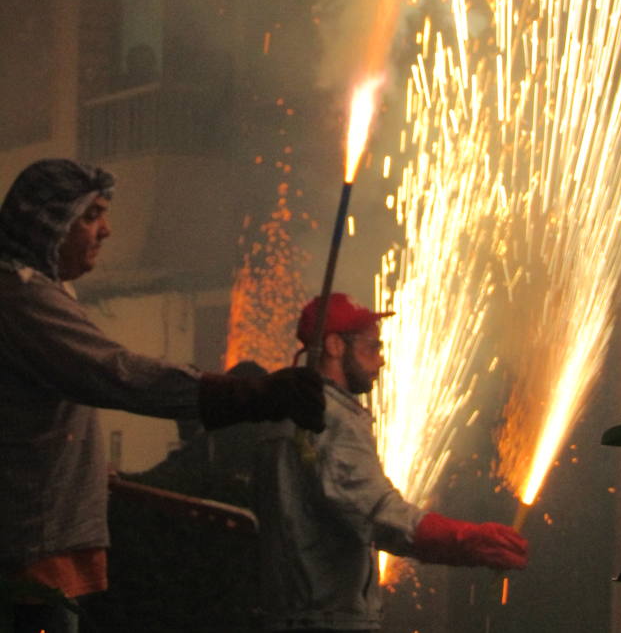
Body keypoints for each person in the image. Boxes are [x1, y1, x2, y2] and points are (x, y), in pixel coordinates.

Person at [0, 159, 325, 633]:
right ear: (47, 224)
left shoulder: (37, 289)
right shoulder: (23, 298)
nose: (106, 231)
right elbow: (117, 374)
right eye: (90, 216)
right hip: (31, 544)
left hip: (40, 538)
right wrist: (251, 395)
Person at [255, 292, 528, 633]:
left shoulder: (281, 412)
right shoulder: (331, 419)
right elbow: (377, 513)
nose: (381, 360)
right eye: (373, 347)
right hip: (326, 622)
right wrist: (465, 540)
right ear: (335, 346)